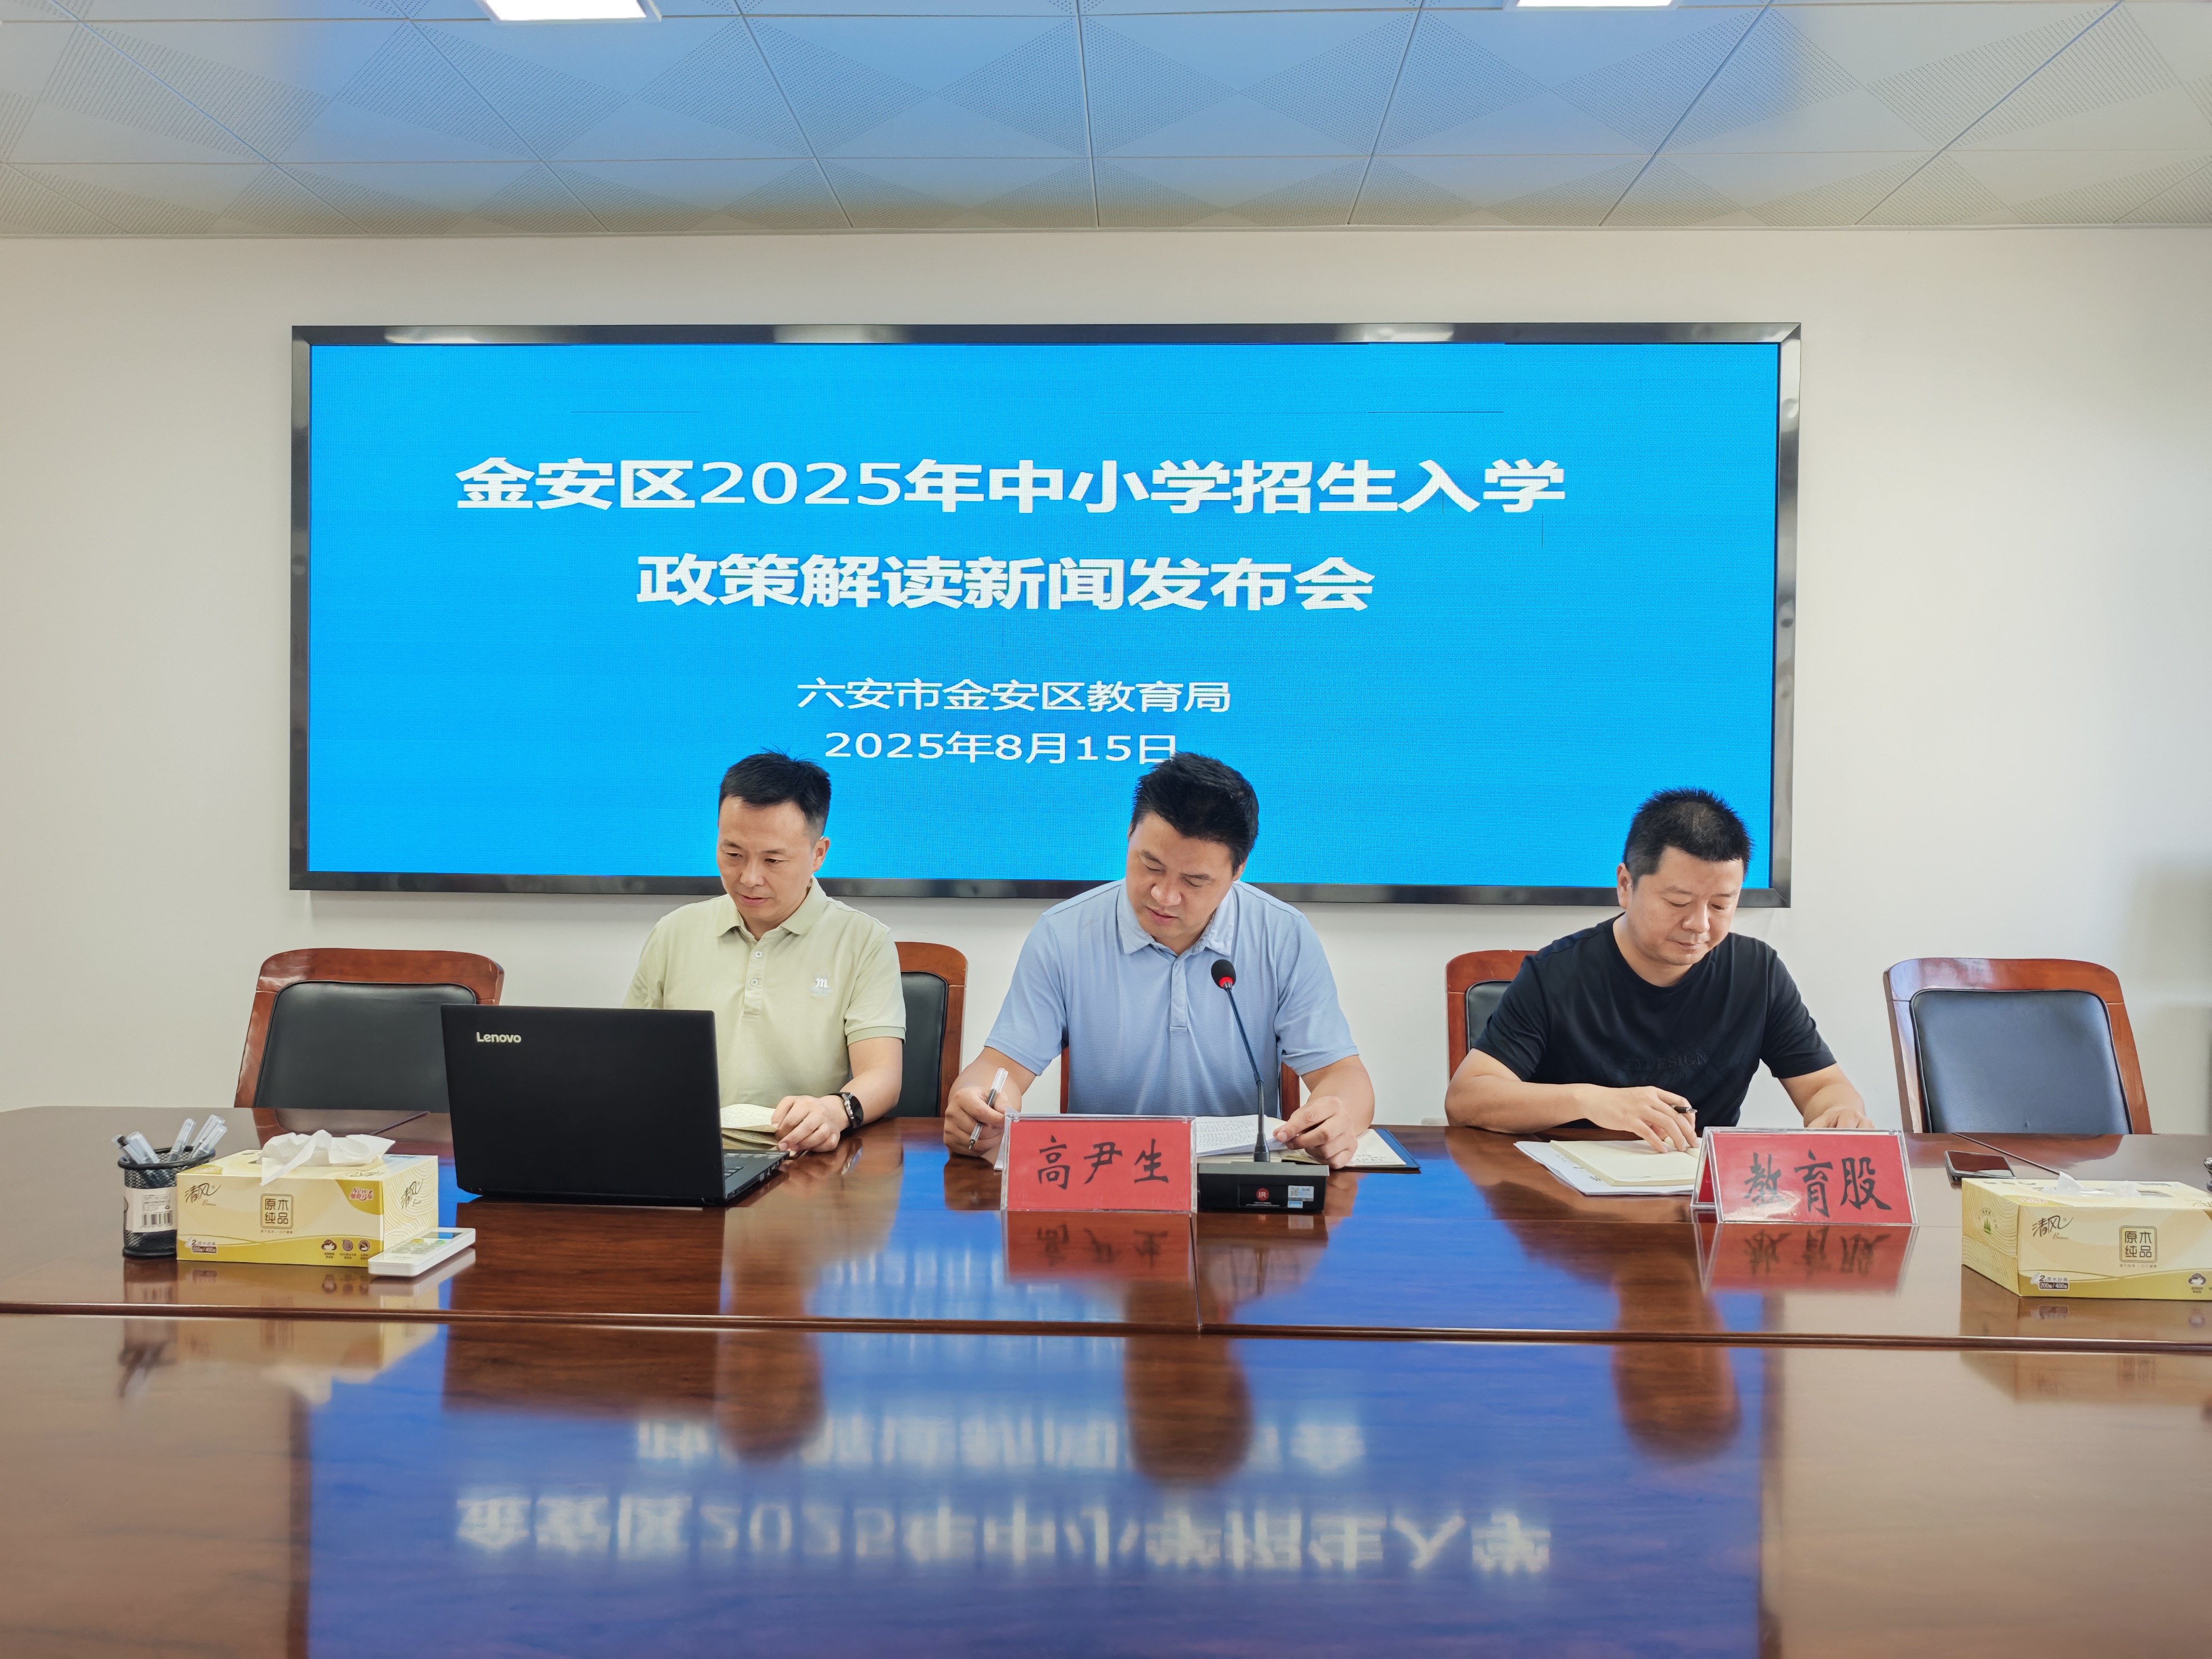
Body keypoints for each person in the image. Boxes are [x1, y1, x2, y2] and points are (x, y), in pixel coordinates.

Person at [943, 752, 1375, 1166]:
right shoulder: (1064, 934)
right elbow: (1000, 1068)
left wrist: (1335, 1118)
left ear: (1238, 869)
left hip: (1236, 1181)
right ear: (1130, 832)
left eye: (1195, 881)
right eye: (1150, 865)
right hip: (1105, 1175)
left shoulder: (1281, 935)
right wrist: (979, 1106)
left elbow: (1342, 1075)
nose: (1165, 896)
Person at [1445, 787, 1869, 1150]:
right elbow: (1467, 1099)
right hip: (1569, 1198)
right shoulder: (1555, 974)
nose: (1699, 924)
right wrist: (1589, 1101)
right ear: (1625, 885)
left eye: (1721, 905)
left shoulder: (1757, 973)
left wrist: (1840, 1113)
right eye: (1678, 902)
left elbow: (1823, 1088)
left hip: (1695, 1195)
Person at [624, 752, 905, 1157]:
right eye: (733, 854)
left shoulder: (863, 941)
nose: (749, 878)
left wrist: (832, 1111)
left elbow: (882, 1075)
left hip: (802, 1156)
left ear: (818, 854)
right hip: (685, 1151)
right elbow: (631, 1058)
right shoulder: (675, 932)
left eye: (773, 859)